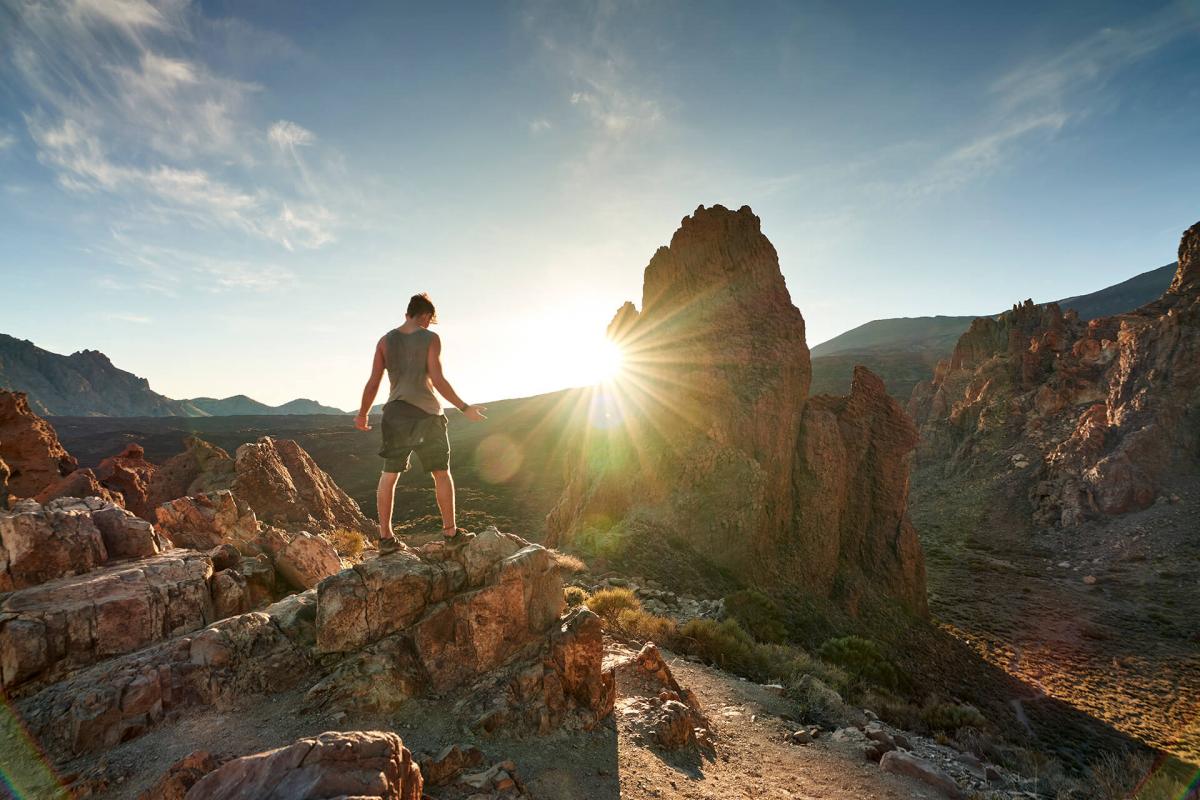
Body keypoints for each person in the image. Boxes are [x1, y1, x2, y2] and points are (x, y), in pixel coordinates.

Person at [354, 293, 486, 553]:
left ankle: (385, 539)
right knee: (441, 473)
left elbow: (373, 381)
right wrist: (464, 407)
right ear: (426, 315)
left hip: (395, 414)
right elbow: (437, 379)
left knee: (388, 475)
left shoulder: (385, 340)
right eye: (429, 320)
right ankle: (450, 533)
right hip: (427, 415)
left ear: (408, 313)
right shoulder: (430, 338)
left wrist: (362, 413)